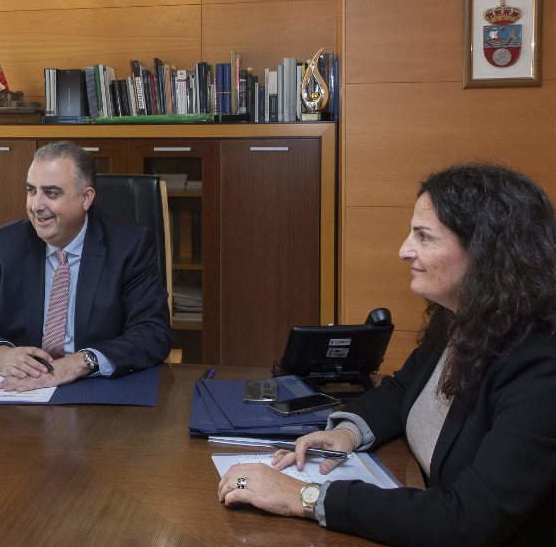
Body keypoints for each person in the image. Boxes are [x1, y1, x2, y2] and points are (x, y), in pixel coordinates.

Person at [217, 164, 556, 546]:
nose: (404, 250)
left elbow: (468, 520)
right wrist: (348, 431)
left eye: (424, 237)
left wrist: (304, 496)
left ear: (486, 253)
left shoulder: (540, 367)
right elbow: (403, 389)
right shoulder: (461, 317)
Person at [0, 141, 173, 392]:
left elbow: (153, 332)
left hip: (97, 388)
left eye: (51, 193)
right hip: (23, 392)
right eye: (31, 191)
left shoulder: (128, 247)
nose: (36, 205)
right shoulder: (3, 246)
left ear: (86, 198)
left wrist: (80, 363)